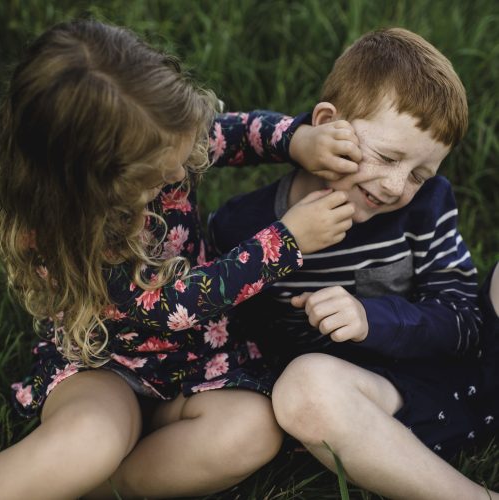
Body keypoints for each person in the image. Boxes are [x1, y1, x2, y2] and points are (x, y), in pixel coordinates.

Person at [0, 19, 358, 500]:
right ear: (89, 187)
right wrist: (286, 240)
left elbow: (229, 134)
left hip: (199, 362)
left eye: (178, 149)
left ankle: (107, 489)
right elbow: (173, 304)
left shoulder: (157, 138)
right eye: (155, 174)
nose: (176, 169)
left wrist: (295, 138)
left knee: (251, 430)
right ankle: (73, 470)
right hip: (105, 365)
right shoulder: (68, 234)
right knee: (90, 441)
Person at [210, 28, 499, 499]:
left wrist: (372, 318)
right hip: (373, 404)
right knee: (305, 388)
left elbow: (464, 319)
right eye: (387, 157)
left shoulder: (424, 206)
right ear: (327, 124)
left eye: (420, 174)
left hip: (462, 376)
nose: (395, 186)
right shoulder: (243, 227)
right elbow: (234, 341)